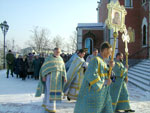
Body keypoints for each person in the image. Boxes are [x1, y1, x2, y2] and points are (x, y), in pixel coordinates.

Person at [74, 42, 114, 113]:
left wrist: (110, 68)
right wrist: (104, 82)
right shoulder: (95, 60)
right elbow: (91, 75)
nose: (110, 54)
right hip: (93, 94)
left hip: (102, 94)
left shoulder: (103, 62)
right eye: (110, 52)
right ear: (105, 50)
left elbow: (109, 75)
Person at [35, 48, 67, 113]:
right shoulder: (49, 58)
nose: (57, 53)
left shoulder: (60, 59)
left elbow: (63, 68)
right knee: (49, 91)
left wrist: (64, 76)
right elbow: (44, 68)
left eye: (59, 52)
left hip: (58, 78)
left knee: (54, 92)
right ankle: (50, 107)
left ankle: (50, 105)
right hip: (49, 77)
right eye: (56, 52)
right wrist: (43, 76)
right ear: (53, 51)